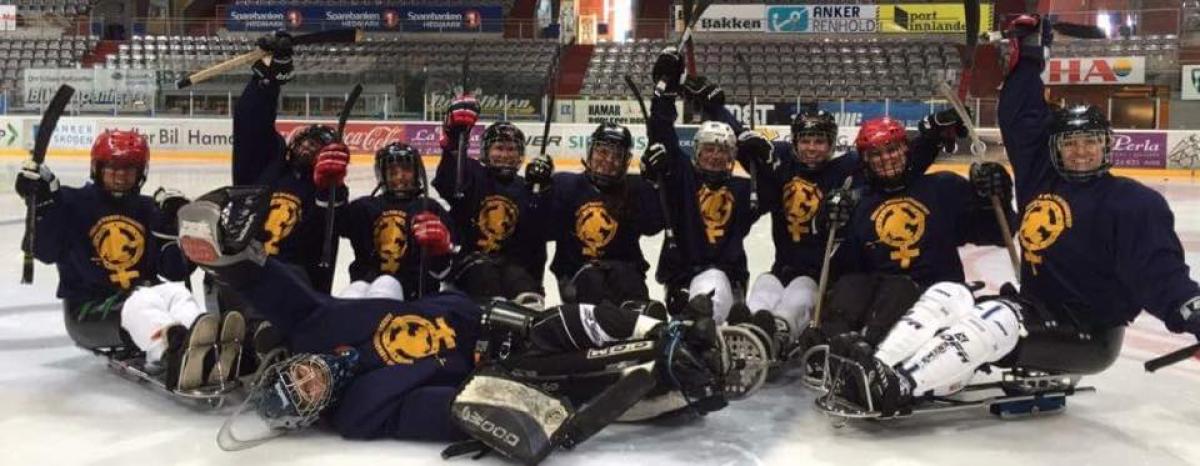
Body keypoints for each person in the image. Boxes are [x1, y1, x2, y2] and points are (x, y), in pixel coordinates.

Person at [824, 14, 1200, 417]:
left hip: (1089, 330)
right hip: (1040, 307)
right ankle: (878, 366)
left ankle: (899, 385)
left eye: (1091, 142)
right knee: (949, 293)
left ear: (1107, 146)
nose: (1081, 152)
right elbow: (1021, 118)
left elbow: (1160, 274)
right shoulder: (1043, 179)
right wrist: (1029, 55)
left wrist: (1193, 314)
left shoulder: (1132, 203)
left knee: (997, 315)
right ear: (1056, 149)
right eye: (1070, 144)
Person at [176, 186, 727, 459]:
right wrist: (495, 416)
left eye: (296, 378)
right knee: (584, 378)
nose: (309, 381)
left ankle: (668, 332)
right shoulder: (360, 410)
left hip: (484, 312)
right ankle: (675, 377)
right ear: (313, 412)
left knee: (585, 320)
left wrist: (230, 254)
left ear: (292, 364)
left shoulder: (317, 327)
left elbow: (274, 288)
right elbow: (443, 409)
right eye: (305, 395)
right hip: (499, 363)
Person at [16, 129, 240, 391]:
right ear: (97, 168)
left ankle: (206, 346)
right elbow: (44, 251)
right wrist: (43, 206)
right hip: (88, 309)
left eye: (129, 169)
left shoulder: (147, 208)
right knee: (141, 300)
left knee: (176, 293)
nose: (121, 176)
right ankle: (172, 351)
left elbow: (174, 270)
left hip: (139, 295)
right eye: (113, 168)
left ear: (141, 172)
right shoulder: (71, 202)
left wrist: (177, 228)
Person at [641, 48, 763, 327]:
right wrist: (664, 93)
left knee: (718, 290)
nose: (716, 155)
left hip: (727, 282)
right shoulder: (683, 178)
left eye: (723, 150)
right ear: (696, 151)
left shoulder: (744, 189)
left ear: (734, 157)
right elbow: (661, 134)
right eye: (709, 149)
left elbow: (769, 173)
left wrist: (716, 109)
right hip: (685, 279)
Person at [231, 30, 349, 294]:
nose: (308, 146)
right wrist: (267, 78)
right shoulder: (268, 165)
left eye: (318, 146)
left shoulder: (325, 189)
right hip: (244, 271)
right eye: (307, 140)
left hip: (294, 287)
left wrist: (332, 189)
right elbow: (250, 121)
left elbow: (326, 234)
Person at [433, 95, 549, 307]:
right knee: (484, 272)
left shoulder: (526, 187)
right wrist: (453, 140)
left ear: (521, 154)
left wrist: (544, 191)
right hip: (471, 267)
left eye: (511, 149)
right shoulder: (472, 174)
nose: (505, 154)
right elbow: (447, 180)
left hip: (513, 269)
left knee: (525, 291)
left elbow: (539, 238)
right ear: (486, 152)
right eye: (499, 148)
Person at [533, 122, 665, 307]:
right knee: (593, 282)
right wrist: (539, 192)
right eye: (603, 152)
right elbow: (545, 231)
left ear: (626, 161)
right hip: (578, 274)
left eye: (617, 155)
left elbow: (652, 226)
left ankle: (634, 318)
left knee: (626, 281)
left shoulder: (635, 188)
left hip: (625, 273)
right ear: (590, 151)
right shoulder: (565, 185)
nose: (609, 160)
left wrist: (655, 186)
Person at [337, 141, 456, 301]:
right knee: (354, 294)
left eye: (406, 170)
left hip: (416, 298)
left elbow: (446, 269)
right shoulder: (364, 207)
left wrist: (441, 252)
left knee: (384, 287)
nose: (400, 176)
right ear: (382, 175)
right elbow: (328, 226)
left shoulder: (431, 208)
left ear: (416, 173)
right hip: (365, 289)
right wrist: (333, 189)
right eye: (392, 171)